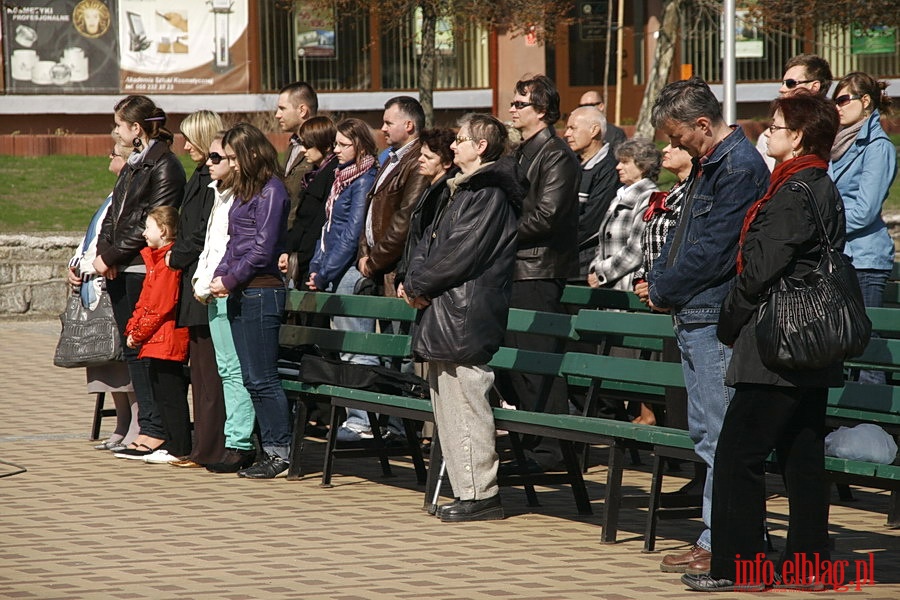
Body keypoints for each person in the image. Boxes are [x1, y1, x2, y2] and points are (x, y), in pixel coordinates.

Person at [682, 91, 843, 592]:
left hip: (777, 345)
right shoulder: (818, 186)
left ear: (797, 137)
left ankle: (738, 566)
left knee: (737, 455)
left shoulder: (794, 192)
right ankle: (809, 565)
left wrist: (728, 321)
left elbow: (758, 272)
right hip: (811, 342)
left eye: (775, 126)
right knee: (801, 457)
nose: (766, 133)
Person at [636, 78, 770, 575]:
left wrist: (664, 287)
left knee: (719, 434)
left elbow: (715, 249)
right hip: (693, 311)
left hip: (712, 313)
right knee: (705, 432)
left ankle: (726, 541)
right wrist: (661, 283)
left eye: (676, 138)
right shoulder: (711, 163)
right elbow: (685, 238)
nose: (673, 148)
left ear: (701, 124)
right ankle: (717, 534)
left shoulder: (737, 167)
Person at [401, 113, 525, 522]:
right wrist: (411, 281)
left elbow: (460, 253)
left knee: (467, 400)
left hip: (466, 312)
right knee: (448, 405)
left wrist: (418, 284)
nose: (453, 146)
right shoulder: (462, 189)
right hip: (447, 308)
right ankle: (467, 489)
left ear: (482, 147)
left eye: (461, 140)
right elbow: (429, 242)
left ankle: (482, 494)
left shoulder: (489, 193)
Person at [94, 95, 186, 458]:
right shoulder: (133, 164)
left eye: (119, 124)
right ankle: (147, 426)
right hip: (120, 266)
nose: (114, 130)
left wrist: (113, 256)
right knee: (132, 350)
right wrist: (104, 254)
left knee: (145, 350)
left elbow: (154, 219)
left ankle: (156, 430)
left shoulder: (165, 166)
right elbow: (114, 214)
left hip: (140, 269)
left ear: (136, 128)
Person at [498, 74, 580, 474]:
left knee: (538, 363)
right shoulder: (519, 152)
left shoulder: (556, 154)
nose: (512, 109)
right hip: (514, 268)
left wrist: (499, 230)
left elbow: (547, 216)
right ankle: (534, 445)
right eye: (513, 103)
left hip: (539, 270)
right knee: (516, 366)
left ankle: (553, 452)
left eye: (520, 104)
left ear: (542, 111)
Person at [336, 96, 429, 443]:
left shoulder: (417, 160)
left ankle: (400, 426)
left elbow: (403, 220)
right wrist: (365, 252)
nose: (382, 128)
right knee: (386, 347)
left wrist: (373, 262)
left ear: (409, 125)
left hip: (396, 270)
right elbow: (372, 213)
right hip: (377, 266)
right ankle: (380, 422)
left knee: (401, 351)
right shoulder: (390, 158)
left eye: (389, 122)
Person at [210, 123, 292, 479]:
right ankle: (268, 448)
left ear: (253, 153)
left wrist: (230, 277)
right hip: (242, 289)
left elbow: (261, 249)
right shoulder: (247, 191)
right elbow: (234, 242)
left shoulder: (272, 191)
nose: (232, 164)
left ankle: (280, 452)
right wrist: (222, 275)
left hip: (262, 290)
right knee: (249, 377)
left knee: (263, 377)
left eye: (233, 157)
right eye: (226, 157)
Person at [166, 109, 227, 469]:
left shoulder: (210, 179)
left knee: (210, 371)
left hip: (202, 279)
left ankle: (209, 447)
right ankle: (201, 446)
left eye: (190, 138)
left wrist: (176, 255)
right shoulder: (199, 175)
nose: (185, 145)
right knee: (201, 371)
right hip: (194, 279)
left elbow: (202, 233)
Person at [193, 133, 258, 474]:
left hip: (230, 291)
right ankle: (236, 440)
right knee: (226, 369)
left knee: (235, 370)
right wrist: (201, 280)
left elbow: (237, 249)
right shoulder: (218, 194)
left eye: (217, 157)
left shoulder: (244, 197)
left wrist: (220, 282)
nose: (210, 163)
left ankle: (239, 443)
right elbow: (212, 246)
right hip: (212, 289)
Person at [69, 141, 138, 452]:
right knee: (106, 363)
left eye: (113, 152)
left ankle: (135, 422)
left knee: (122, 361)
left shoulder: (128, 194)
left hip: (109, 281)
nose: (108, 156)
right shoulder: (113, 194)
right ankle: (121, 421)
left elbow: (112, 243)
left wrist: (87, 266)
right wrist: (74, 265)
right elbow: (92, 237)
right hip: (92, 282)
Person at [830, 73, 897, 385]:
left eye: (844, 99)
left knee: (867, 354)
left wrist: (824, 226)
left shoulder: (878, 146)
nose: (838, 107)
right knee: (842, 349)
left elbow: (865, 210)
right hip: (842, 257)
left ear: (865, 101)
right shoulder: (838, 143)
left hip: (864, 260)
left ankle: (875, 429)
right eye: (835, 100)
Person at [119, 206, 191, 464]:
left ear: (162, 230)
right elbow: (145, 300)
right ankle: (172, 444)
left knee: (171, 394)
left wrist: (137, 333)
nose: (143, 233)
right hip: (155, 338)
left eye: (148, 227)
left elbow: (160, 304)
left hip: (167, 337)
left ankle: (180, 447)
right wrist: (133, 328)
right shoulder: (154, 259)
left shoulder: (168, 261)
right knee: (160, 391)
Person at [306, 118, 378, 293]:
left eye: (343, 144)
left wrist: (324, 273)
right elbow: (328, 226)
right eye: (335, 143)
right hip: (333, 269)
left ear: (360, 145)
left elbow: (352, 234)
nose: (336, 150)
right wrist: (316, 266)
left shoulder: (363, 181)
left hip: (348, 270)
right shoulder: (342, 178)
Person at [587, 138, 660, 291]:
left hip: (628, 287)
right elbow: (602, 241)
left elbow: (636, 249)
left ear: (643, 166)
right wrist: (594, 268)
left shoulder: (649, 197)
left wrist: (601, 272)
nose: (618, 167)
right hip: (608, 287)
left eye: (625, 162)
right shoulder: (620, 195)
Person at [279, 116, 340, 288]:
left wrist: (302, 256)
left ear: (326, 146)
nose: (303, 150)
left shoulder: (331, 174)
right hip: (301, 255)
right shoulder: (314, 174)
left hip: (312, 259)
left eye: (308, 145)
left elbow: (319, 220)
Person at [564, 106, 622, 279]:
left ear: (594, 130)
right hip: (563, 261)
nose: (566, 134)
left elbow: (590, 223)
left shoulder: (609, 170)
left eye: (572, 128)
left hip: (585, 266)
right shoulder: (569, 164)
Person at [396, 127, 459, 286]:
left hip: (426, 283)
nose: (420, 160)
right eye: (421, 155)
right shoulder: (428, 189)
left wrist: (417, 283)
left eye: (428, 157)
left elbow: (434, 247)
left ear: (446, 163)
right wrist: (402, 277)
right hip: (413, 279)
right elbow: (413, 239)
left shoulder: (444, 195)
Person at [276, 82, 320, 284]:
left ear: (302, 110)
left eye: (282, 108)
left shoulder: (322, 148)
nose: (277, 115)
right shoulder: (293, 144)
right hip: (286, 243)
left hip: (304, 249)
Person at [756, 55, 832, 171]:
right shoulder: (768, 138)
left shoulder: (836, 131)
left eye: (790, 83)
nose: (782, 89)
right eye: (782, 83)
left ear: (814, 86)